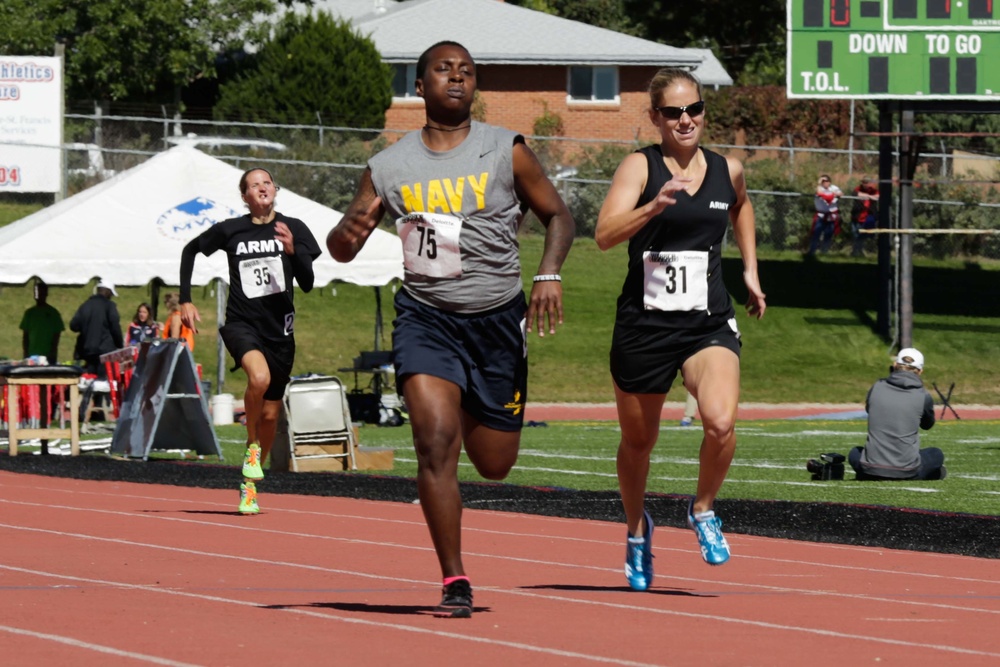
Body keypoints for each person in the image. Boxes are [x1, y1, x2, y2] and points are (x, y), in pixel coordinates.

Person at [328, 41, 575, 618]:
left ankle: (469, 400)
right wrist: (346, 230)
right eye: (444, 70)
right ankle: (454, 579)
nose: (457, 78)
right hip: (426, 317)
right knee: (435, 442)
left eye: (467, 71)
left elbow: (559, 215)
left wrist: (548, 272)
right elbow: (343, 247)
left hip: (496, 322)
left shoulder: (504, 148)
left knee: (494, 463)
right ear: (420, 86)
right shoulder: (388, 167)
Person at [594, 67, 766, 590]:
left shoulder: (726, 168)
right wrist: (653, 207)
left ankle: (704, 509)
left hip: (705, 322)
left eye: (694, 109)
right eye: (673, 112)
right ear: (656, 118)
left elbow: (742, 207)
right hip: (644, 326)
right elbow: (603, 234)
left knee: (720, 421)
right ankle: (636, 528)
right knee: (638, 443)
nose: (686, 119)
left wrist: (750, 270)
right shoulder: (638, 167)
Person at [178, 167, 321, 515]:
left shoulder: (294, 228)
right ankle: (252, 445)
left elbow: (307, 282)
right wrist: (185, 298)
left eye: (267, 182)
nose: (262, 187)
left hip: (280, 333)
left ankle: (249, 485)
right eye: (254, 184)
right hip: (243, 324)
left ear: (275, 189)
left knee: (271, 414)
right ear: (244, 196)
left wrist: (292, 252)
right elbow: (190, 250)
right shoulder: (231, 230)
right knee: (259, 378)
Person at [848, 348, 944, 480]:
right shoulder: (923, 396)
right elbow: (927, 425)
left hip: (871, 467)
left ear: (894, 366)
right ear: (920, 371)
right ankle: (925, 475)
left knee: (854, 452)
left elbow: (869, 409)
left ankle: (872, 474)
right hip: (906, 469)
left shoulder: (877, 387)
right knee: (936, 454)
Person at [69, 280, 124, 377]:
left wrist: (87, 327)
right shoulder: (109, 306)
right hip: (106, 352)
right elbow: (115, 327)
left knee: (90, 380)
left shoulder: (85, 305)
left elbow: (73, 326)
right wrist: (120, 345)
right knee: (104, 383)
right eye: (111, 293)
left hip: (88, 351)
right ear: (107, 292)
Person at [20, 280, 64, 363]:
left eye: (42, 293)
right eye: (37, 294)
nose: (39, 296)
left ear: (46, 294)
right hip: (32, 355)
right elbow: (25, 335)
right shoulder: (29, 313)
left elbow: (57, 334)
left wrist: (52, 352)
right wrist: (25, 353)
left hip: (48, 356)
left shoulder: (53, 313)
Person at [807, 174, 842, 255]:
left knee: (828, 234)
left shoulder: (834, 188)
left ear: (829, 182)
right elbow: (819, 192)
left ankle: (824, 252)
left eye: (826, 181)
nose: (824, 182)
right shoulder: (819, 188)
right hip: (821, 215)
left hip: (831, 215)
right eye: (822, 181)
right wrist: (831, 194)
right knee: (816, 233)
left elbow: (840, 193)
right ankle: (812, 251)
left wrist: (832, 194)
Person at [850, 177, 879, 257]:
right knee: (855, 234)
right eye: (864, 182)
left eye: (867, 182)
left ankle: (858, 251)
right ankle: (856, 251)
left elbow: (878, 196)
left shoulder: (873, 190)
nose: (866, 184)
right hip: (857, 216)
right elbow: (856, 194)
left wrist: (867, 196)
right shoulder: (858, 188)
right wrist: (869, 196)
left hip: (867, 216)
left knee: (862, 235)